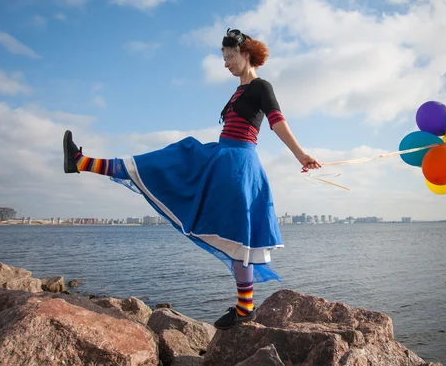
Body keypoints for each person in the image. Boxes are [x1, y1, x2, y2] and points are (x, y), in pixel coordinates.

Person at [62, 28, 321, 329]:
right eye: (223, 58)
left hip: (238, 164)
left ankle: (245, 307)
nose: (225, 63)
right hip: (223, 158)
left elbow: (277, 122)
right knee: (169, 164)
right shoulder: (238, 91)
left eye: (230, 57)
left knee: (237, 233)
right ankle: (82, 162)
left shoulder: (262, 86)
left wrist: (301, 155)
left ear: (246, 54)